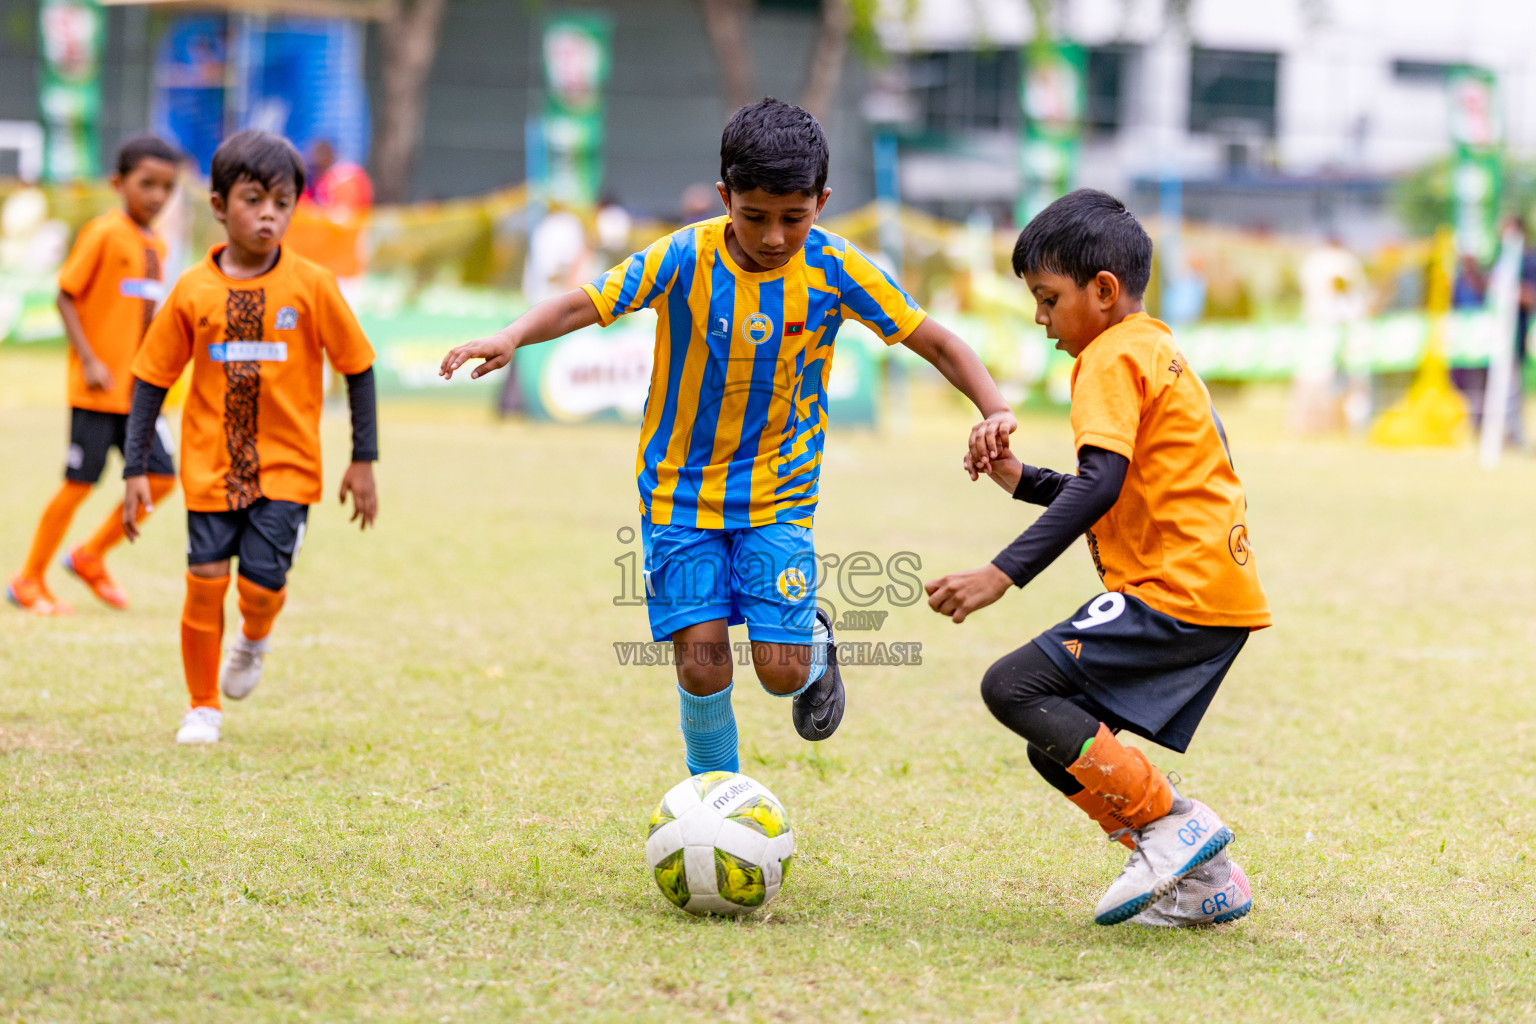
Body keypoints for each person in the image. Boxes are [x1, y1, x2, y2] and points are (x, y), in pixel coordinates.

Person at [441, 98, 1014, 776]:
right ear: (725, 197)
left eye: (794, 219)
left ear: (822, 203)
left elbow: (939, 343)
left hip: (779, 492)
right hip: (678, 495)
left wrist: (994, 408)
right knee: (702, 661)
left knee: (778, 671)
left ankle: (814, 655)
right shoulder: (683, 257)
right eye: (756, 216)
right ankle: (714, 799)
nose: (774, 236)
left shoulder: (837, 270)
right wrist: (511, 335)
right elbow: (582, 303)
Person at [924, 190, 1271, 927]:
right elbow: (1113, 488)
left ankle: (1173, 825)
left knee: (1013, 686)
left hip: (1176, 589)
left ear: (1103, 291)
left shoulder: (1108, 357)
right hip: (1211, 587)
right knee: (1058, 741)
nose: (1041, 319)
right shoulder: (1152, 345)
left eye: (1048, 299)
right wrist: (1018, 479)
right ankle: (1206, 878)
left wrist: (1000, 573)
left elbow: (1100, 483)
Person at [119, 129, 380, 745]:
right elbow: (150, 380)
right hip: (210, 469)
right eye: (254, 199)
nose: (269, 214)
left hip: (288, 469)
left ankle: (255, 638)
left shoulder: (313, 285)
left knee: (260, 589)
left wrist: (362, 459)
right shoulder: (191, 290)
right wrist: (134, 467)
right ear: (218, 205)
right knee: (205, 582)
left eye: (283, 202)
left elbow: (358, 367)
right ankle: (202, 707)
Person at [7, 136, 181, 616]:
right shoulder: (104, 233)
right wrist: (88, 359)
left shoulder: (158, 245)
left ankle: (89, 555)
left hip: (139, 393)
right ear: (118, 183)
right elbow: (65, 295)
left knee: (163, 478)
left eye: (167, 187)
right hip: (98, 391)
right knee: (79, 483)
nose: (157, 196)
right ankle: (28, 580)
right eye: (146, 184)